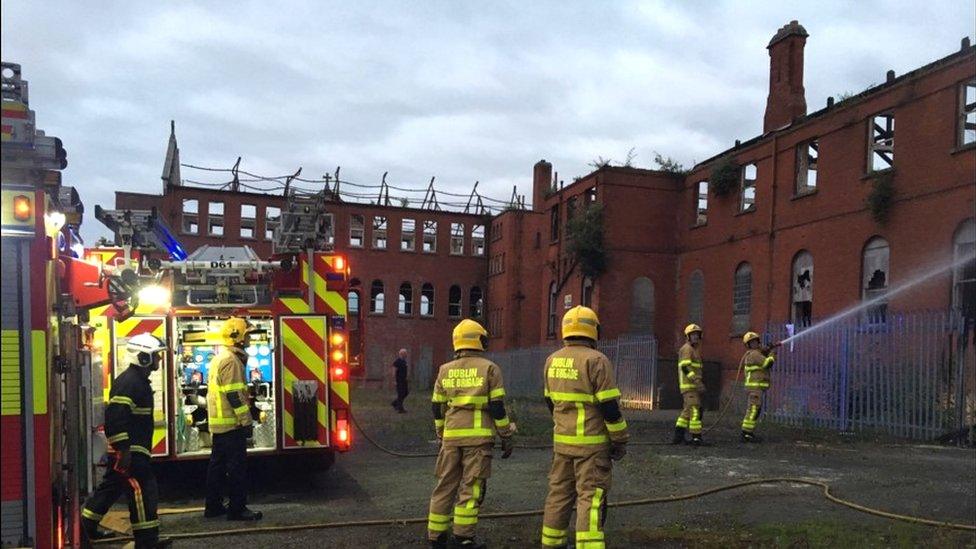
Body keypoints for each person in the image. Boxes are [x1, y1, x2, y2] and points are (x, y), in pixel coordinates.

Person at [541, 306, 629, 549]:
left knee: (558, 495)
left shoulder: (552, 360)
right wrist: (620, 439)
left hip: (562, 443)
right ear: (593, 330)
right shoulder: (597, 360)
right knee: (590, 499)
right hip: (591, 446)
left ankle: (551, 543)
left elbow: (550, 401)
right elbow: (609, 407)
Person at [427, 319, 515, 549]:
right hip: (478, 440)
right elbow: (497, 406)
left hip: (451, 437)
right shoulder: (489, 369)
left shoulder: (444, 370)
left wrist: (440, 433)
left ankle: (436, 536)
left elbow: (437, 406)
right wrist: (506, 434)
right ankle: (463, 538)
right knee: (471, 487)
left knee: (444, 485)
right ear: (479, 340)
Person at [81, 333, 171, 548]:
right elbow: (115, 416)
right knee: (143, 491)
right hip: (131, 453)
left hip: (129, 451)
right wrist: (124, 450)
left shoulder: (135, 381)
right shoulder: (131, 383)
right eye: (156, 356)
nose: (159, 360)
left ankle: (85, 528)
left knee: (110, 488)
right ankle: (147, 542)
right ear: (143, 357)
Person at [204, 317, 263, 521]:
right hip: (231, 425)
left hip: (220, 426)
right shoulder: (232, 361)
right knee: (237, 469)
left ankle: (213, 507)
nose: (249, 340)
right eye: (247, 335)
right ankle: (237, 509)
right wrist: (246, 421)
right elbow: (235, 396)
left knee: (217, 467)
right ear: (237, 337)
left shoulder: (220, 358)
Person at [673, 324, 706, 446]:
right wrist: (697, 381)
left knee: (687, 412)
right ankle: (696, 437)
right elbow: (685, 367)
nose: (695, 337)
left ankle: (678, 436)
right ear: (687, 337)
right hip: (690, 386)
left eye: (697, 334)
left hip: (691, 387)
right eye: (693, 335)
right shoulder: (687, 349)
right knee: (695, 410)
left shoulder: (694, 350)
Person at [740, 331, 775, 443]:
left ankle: (747, 432)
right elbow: (767, 364)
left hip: (756, 388)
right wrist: (772, 354)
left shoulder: (755, 354)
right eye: (752, 342)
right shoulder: (754, 354)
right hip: (754, 388)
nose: (754, 344)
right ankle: (746, 433)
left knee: (754, 409)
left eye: (755, 341)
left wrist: (767, 350)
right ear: (748, 345)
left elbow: (761, 357)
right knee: (753, 410)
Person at [391, 348, 409, 413]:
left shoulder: (404, 361)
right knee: (400, 394)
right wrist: (394, 380)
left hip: (404, 380)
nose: (406, 355)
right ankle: (400, 409)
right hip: (399, 380)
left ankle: (395, 403)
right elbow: (394, 371)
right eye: (405, 353)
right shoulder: (397, 361)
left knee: (406, 393)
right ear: (402, 354)